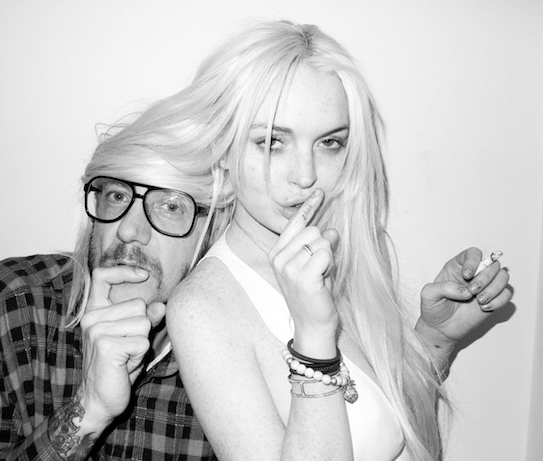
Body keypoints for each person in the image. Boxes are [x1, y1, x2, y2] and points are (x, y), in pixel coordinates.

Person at [167, 20, 512, 461]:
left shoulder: (348, 251)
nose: (306, 175)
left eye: (329, 143)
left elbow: (398, 437)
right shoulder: (203, 308)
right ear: (222, 149)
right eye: (272, 142)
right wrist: (313, 338)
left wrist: (434, 341)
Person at [0, 95, 233, 459]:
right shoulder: (10, 304)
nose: (129, 230)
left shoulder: (234, 348)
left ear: (209, 230)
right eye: (117, 195)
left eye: (170, 205)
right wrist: (89, 409)